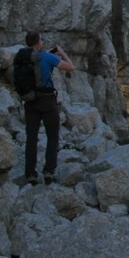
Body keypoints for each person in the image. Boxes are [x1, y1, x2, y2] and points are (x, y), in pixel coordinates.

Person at [22, 30, 75, 185]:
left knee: (31, 138)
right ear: (39, 42)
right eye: (42, 39)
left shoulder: (22, 57)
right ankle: (48, 172)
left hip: (29, 101)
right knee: (52, 136)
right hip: (47, 101)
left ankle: (30, 174)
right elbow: (71, 67)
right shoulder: (47, 57)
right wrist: (62, 53)